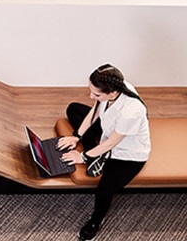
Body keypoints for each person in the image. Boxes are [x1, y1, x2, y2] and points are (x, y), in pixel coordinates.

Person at [57, 64, 150, 241]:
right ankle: (95, 153)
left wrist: (82, 157)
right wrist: (76, 137)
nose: (92, 96)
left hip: (127, 154)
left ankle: (96, 221)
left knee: (104, 189)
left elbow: (112, 143)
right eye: (91, 91)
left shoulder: (132, 112)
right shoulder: (117, 89)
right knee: (74, 109)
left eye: (96, 94)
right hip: (109, 132)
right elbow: (96, 110)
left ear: (113, 93)